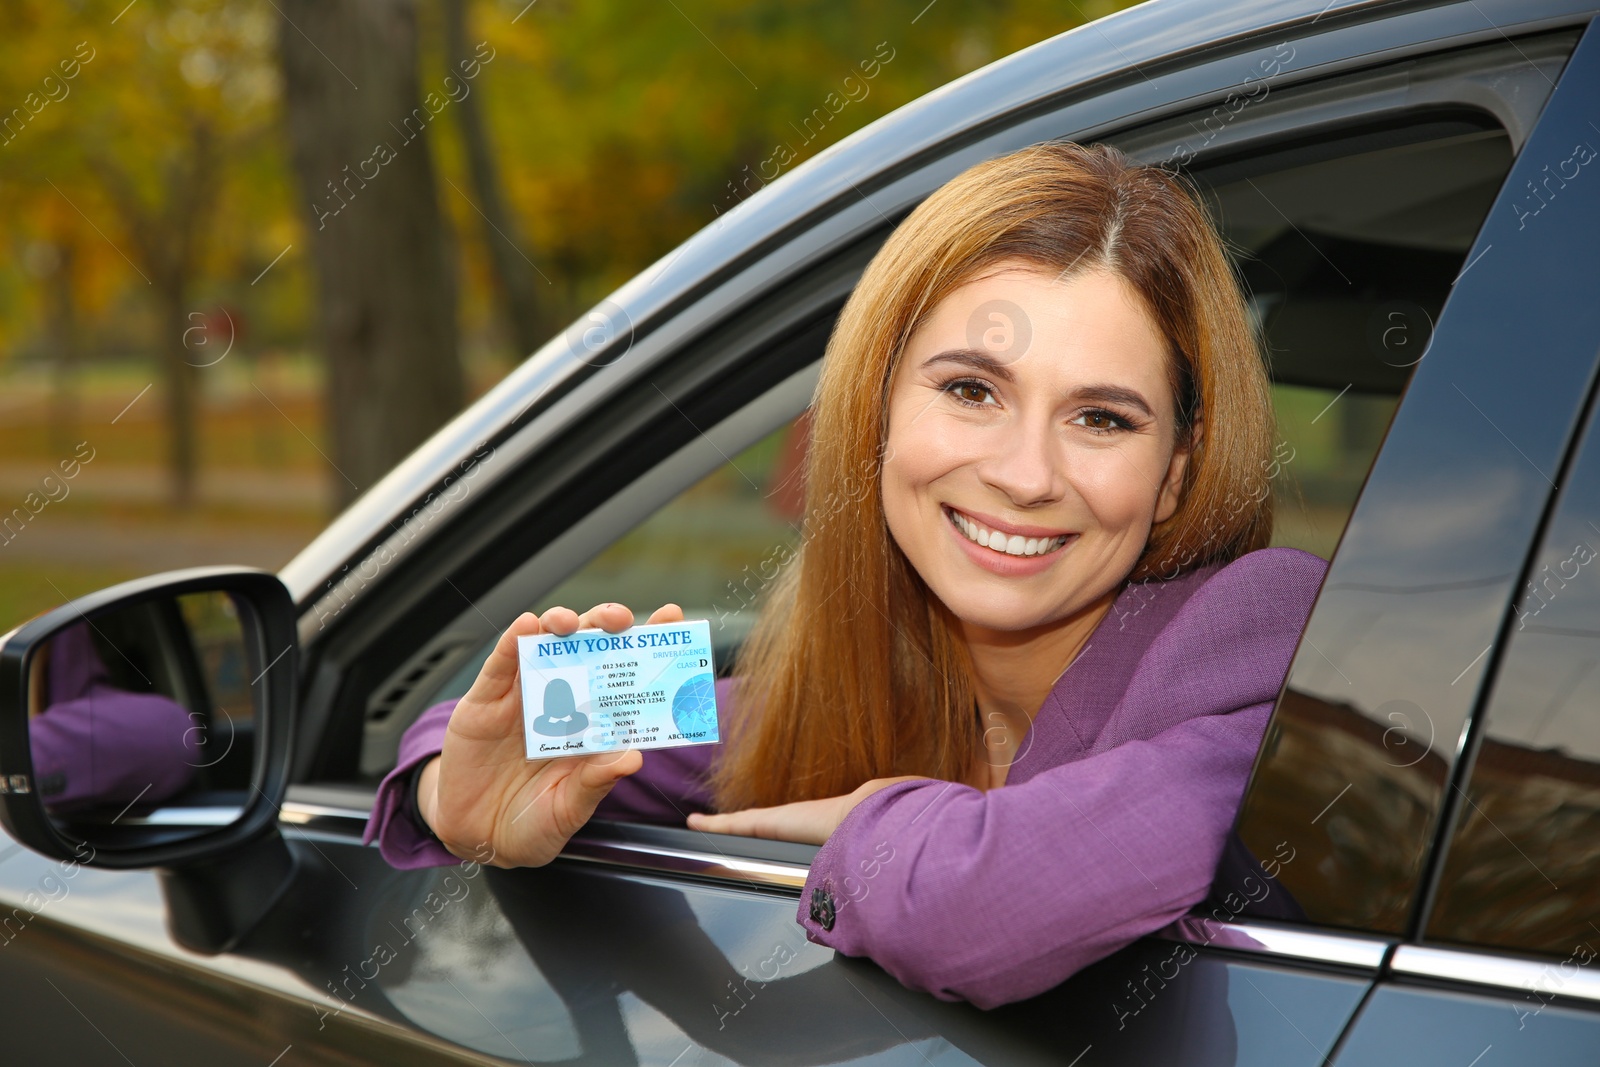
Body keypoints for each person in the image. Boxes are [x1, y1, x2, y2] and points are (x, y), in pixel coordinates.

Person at [364, 140, 1327, 1009]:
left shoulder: (1256, 635)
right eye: (970, 390)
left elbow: (995, 908)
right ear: (877, 410)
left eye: (1102, 418)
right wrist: (452, 794)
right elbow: (533, 718)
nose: (1026, 474)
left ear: (1176, 478)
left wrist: (873, 821)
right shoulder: (873, 660)